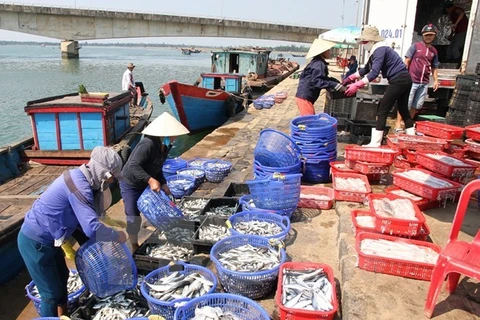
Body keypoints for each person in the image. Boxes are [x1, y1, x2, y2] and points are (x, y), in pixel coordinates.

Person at [17, 146, 127, 317]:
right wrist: (115, 235)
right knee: (50, 295)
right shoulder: (79, 186)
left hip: (50, 242)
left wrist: (99, 248)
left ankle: (64, 316)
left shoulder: (81, 178)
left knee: (63, 277)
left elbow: (80, 226)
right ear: (103, 172)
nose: (112, 181)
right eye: (112, 176)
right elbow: (91, 227)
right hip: (35, 241)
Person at [120, 112, 190, 251]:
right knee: (133, 214)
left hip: (145, 181)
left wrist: (163, 182)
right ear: (164, 135)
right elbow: (133, 166)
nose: (175, 138)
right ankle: (134, 244)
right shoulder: (147, 144)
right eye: (173, 135)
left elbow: (157, 167)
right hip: (131, 182)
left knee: (156, 207)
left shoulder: (164, 147)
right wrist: (150, 180)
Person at [343, 25, 414, 147]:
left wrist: (357, 84)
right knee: (403, 109)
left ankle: (375, 142)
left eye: (364, 42)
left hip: (399, 80)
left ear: (372, 40)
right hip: (405, 79)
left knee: (382, 110)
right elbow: (366, 69)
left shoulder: (380, 50)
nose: (363, 44)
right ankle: (412, 137)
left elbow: (374, 73)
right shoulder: (378, 50)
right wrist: (350, 77)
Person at [394, 24, 439, 133]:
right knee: (406, 103)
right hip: (412, 80)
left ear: (434, 36)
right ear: (423, 35)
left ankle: (407, 123)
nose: (428, 37)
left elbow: (434, 67)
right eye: (426, 35)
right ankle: (398, 123)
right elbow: (407, 61)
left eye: (431, 35)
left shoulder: (434, 51)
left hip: (424, 82)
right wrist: (403, 76)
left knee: (417, 104)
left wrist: (436, 80)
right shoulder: (416, 46)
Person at [295, 38, 346, 116]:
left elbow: (323, 78)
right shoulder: (319, 64)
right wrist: (334, 85)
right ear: (323, 52)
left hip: (304, 97)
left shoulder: (318, 62)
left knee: (309, 120)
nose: (330, 51)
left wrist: (336, 82)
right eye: (328, 50)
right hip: (305, 98)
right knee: (310, 122)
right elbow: (317, 81)